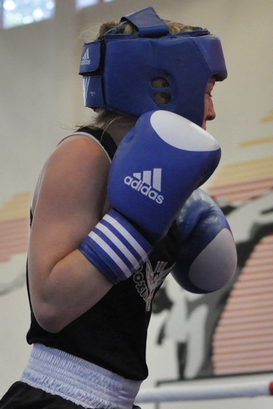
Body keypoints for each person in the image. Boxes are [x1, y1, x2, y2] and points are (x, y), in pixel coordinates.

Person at [0, 6, 237, 409]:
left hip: (116, 399)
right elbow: (50, 306)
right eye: (207, 90)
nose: (211, 110)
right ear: (165, 87)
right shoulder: (84, 156)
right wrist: (134, 227)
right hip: (57, 394)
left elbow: (208, 275)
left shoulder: (163, 180)